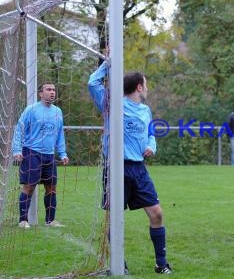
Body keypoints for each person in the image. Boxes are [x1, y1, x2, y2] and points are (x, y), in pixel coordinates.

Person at [88, 59, 172, 274]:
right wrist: (107, 64)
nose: (148, 88)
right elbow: (92, 83)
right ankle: (118, 264)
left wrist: (152, 146)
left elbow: (151, 133)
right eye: (146, 84)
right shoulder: (112, 103)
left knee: (157, 213)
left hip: (139, 169)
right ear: (139, 87)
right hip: (116, 168)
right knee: (115, 218)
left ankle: (161, 264)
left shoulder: (145, 110)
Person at [12, 82, 70, 229]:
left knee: (51, 188)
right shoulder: (31, 110)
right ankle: (23, 220)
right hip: (32, 152)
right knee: (29, 187)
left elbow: (59, 135)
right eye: (48, 89)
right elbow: (20, 129)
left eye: (54, 90)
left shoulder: (58, 111)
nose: (52, 92)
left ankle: (50, 220)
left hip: (49, 156)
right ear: (40, 93)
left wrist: (62, 153)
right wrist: (17, 150)